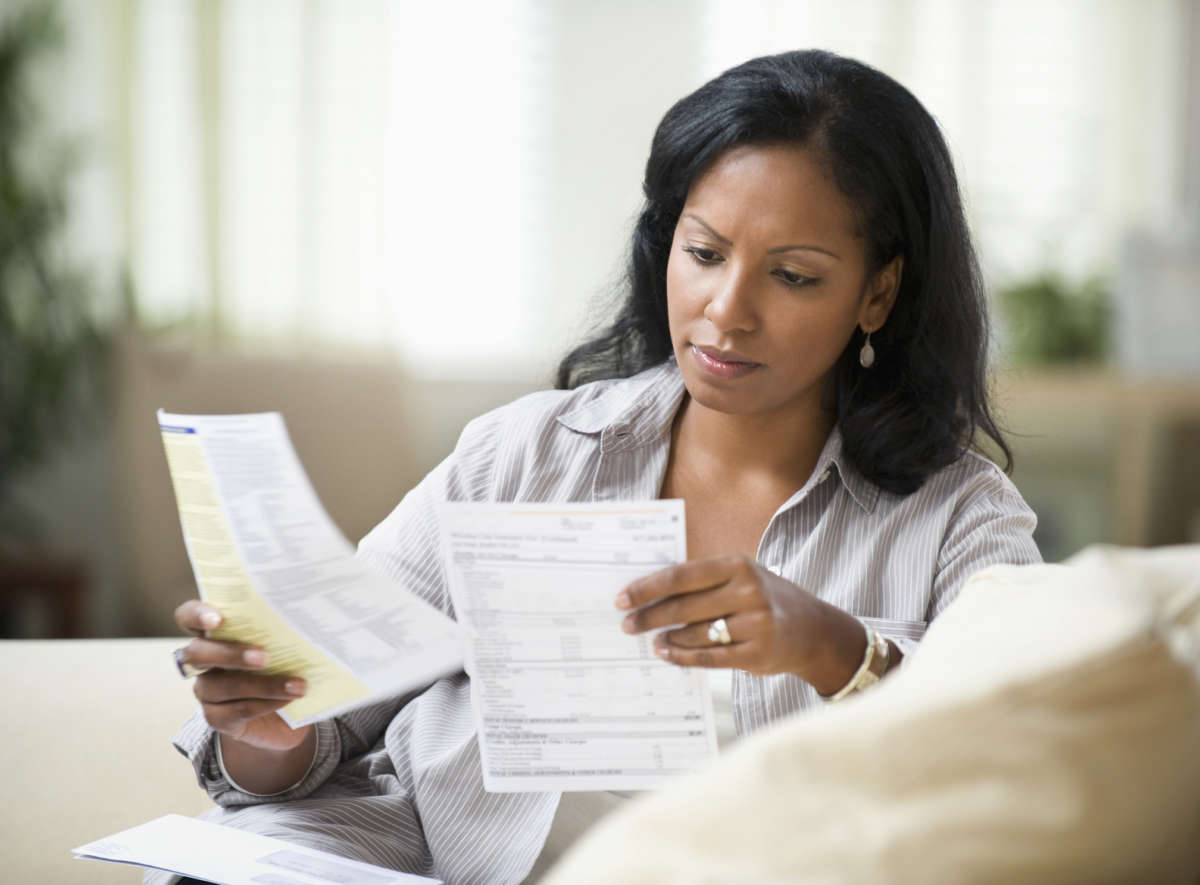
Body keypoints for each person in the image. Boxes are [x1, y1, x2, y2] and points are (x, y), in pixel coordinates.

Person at [159, 49, 1039, 885]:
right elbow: (327, 715)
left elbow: (1023, 761)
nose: (725, 312)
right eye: (703, 254)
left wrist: (831, 645)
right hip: (434, 852)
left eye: (795, 277)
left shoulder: (962, 514)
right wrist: (265, 725)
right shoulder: (526, 452)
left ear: (877, 292)